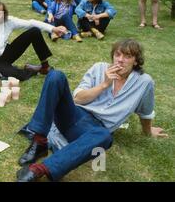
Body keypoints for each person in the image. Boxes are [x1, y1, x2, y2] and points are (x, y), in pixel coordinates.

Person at [16, 39, 167, 182]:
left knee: (105, 135)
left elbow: (145, 111)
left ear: (136, 61)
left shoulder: (144, 82)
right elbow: (78, 99)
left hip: (94, 130)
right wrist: (104, 84)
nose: (120, 60)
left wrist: (148, 131)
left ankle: (40, 169)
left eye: (127, 56)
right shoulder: (99, 68)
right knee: (56, 76)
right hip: (74, 115)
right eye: (117, 54)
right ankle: (39, 142)